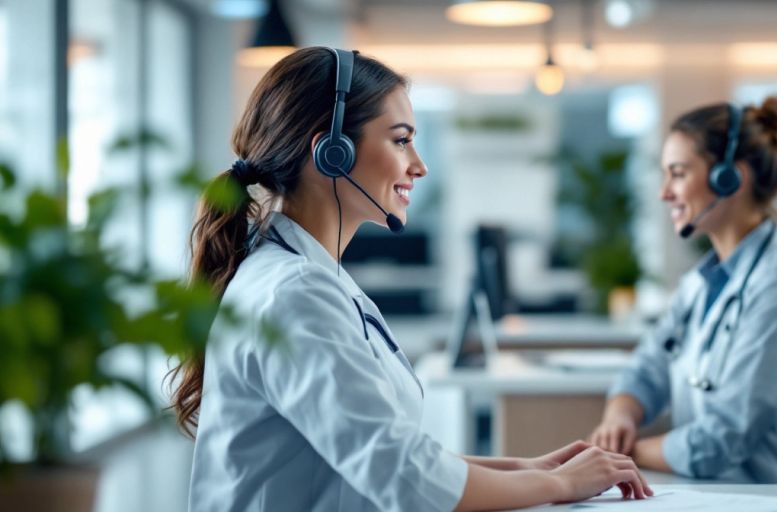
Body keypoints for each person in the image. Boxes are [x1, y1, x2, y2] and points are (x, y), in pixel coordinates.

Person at [168, 47, 652, 511]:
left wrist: (526, 469)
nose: (418, 165)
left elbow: (382, 454)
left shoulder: (307, 277)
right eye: (401, 140)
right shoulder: (295, 293)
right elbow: (401, 477)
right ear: (331, 153)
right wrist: (555, 483)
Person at [589, 97, 777, 484]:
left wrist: (627, 455)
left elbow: (722, 439)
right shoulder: (703, 282)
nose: (665, 192)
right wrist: (620, 416)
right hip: (723, 493)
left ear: (730, 178)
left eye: (677, 173)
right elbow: (650, 364)